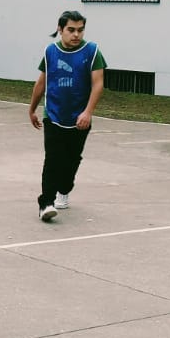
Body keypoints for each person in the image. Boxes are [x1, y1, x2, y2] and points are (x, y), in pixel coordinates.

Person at [27, 11, 106, 222]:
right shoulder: (50, 51)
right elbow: (42, 82)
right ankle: (45, 203)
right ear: (60, 29)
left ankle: (65, 188)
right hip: (52, 114)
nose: (76, 34)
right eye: (71, 30)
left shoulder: (92, 51)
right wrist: (32, 108)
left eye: (80, 30)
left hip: (79, 116)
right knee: (52, 159)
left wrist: (88, 112)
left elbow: (98, 84)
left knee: (72, 160)